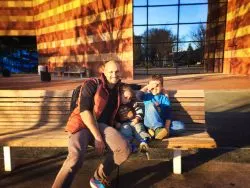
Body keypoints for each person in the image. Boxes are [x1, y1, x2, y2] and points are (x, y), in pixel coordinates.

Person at [52, 60, 131, 188]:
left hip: (102, 126)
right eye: (110, 71)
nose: (114, 74)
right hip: (82, 124)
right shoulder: (91, 84)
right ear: (104, 72)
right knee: (75, 157)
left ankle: (98, 179)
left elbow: (136, 93)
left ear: (120, 72)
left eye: (117, 71)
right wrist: (98, 137)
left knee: (124, 148)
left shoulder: (118, 88)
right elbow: (84, 112)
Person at [136, 75, 185, 140]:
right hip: (149, 122)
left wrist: (167, 127)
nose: (155, 87)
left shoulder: (164, 98)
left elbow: (168, 113)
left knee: (180, 126)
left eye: (157, 85)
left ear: (162, 87)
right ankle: (158, 130)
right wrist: (148, 86)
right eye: (153, 86)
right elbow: (138, 95)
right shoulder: (147, 96)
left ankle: (156, 132)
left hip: (162, 122)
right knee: (151, 105)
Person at [115, 84, 151, 152]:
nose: (128, 100)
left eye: (130, 98)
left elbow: (139, 111)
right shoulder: (116, 105)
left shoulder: (133, 103)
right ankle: (129, 144)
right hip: (123, 124)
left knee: (139, 128)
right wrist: (116, 123)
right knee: (125, 130)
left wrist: (137, 118)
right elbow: (113, 116)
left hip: (134, 121)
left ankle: (144, 141)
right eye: (125, 97)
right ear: (120, 95)